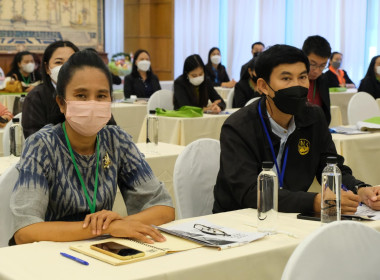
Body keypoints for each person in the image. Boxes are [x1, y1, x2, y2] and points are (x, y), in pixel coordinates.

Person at [10, 50, 175, 245]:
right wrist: (107, 228)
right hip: (52, 254)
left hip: (100, 249)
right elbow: (25, 231)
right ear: (61, 103)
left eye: (101, 96)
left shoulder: (117, 141)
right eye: (81, 95)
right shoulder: (42, 145)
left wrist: (119, 224)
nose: (92, 104)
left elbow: (164, 208)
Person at [213, 44, 380, 215]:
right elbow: (248, 192)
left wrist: (360, 190)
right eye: (286, 78)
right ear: (263, 86)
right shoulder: (238, 127)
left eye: (302, 77)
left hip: (292, 215)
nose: (297, 85)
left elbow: (330, 166)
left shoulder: (313, 117)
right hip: (240, 219)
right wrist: (314, 202)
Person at [22, 41, 116, 139]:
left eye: (70, 62)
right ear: (47, 68)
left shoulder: (93, 94)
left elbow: (110, 131)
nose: (64, 68)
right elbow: (33, 137)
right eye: (58, 62)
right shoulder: (36, 97)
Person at [302, 35, 331, 125]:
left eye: (322, 66)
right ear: (303, 56)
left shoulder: (323, 80)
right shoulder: (292, 81)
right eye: (313, 64)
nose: (317, 71)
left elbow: (326, 113)